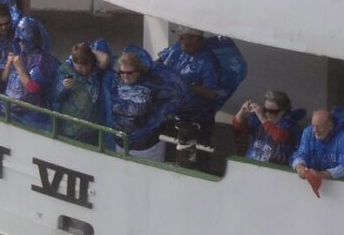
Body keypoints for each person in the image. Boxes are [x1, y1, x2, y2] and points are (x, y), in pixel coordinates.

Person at [155, 28, 224, 168]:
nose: (179, 40)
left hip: (196, 121)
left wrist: (187, 85)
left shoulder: (208, 63)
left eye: (183, 37)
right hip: (172, 114)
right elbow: (157, 63)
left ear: (195, 39)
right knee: (172, 154)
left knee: (195, 159)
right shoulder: (176, 49)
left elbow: (211, 93)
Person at [104, 50, 175, 159]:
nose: (125, 76)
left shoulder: (153, 85)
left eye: (129, 73)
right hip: (121, 143)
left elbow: (170, 101)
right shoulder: (116, 82)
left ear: (138, 71)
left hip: (147, 147)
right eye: (122, 72)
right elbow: (102, 61)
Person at [290, 107, 344, 197]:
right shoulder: (308, 132)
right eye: (313, 126)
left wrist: (320, 174)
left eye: (318, 127)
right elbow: (301, 153)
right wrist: (299, 167)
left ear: (330, 126)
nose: (314, 131)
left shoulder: (343, 138)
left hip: (340, 192)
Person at [52, 42, 109, 144]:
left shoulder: (94, 71)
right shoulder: (65, 71)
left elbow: (105, 59)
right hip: (71, 128)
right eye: (80, 67)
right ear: (73, 63)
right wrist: (63, 88)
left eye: (87, 66)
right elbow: (54, 97)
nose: (84, 70)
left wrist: (87, 50)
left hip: (92, 127)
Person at [231, 90, 303, 165]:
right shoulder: (257, 117)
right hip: (251, 163)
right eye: (265, 110)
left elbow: (279, 136)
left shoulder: (290, 125)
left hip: (274, 169)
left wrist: (262, 117)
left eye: (272, 112)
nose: (267, 114)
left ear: (283, 111)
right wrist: (242, 111)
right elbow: (237, 125)